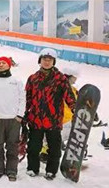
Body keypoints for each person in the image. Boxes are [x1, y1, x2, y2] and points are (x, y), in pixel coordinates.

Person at [24, 48, 76, 180]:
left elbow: (69, 96)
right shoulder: (33, 78)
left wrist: (75, 109)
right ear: (40, 61)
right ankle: (32, 168)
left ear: (54, 62)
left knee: (54, 148)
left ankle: (51, 171)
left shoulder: (60, 79)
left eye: (50, 60)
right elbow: (27, 98)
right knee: (33, 147)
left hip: (54, 120)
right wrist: (24, 113)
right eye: (44, 59)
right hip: (36, 119)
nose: (47, 62)